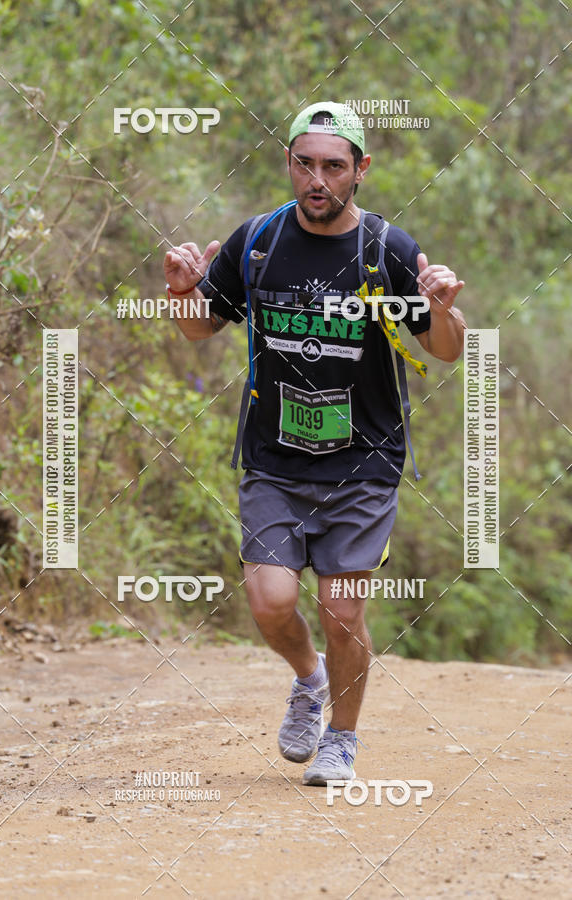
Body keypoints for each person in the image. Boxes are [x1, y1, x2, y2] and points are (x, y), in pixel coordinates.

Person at [163, 101, 466, 786]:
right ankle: (309, 679)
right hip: (274, 460)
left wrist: (444, 311)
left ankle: (343, 738)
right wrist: (183, 294)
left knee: (341, 608)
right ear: (290, 165)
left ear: (361, 170)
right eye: (305, 163)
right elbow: (198, 328)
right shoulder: (260, 240)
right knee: (271, 603)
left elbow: (443, 350)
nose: (317, 179)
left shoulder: (386, 250)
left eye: (334, 165)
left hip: (364, 460)